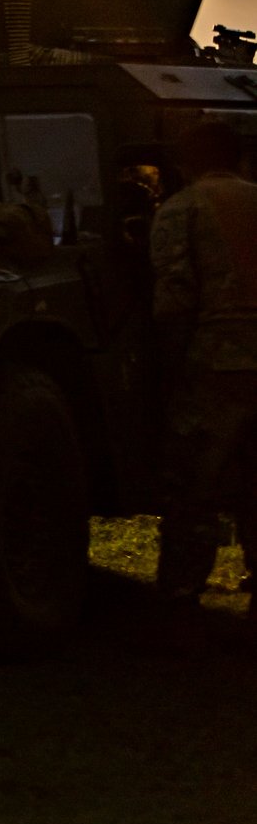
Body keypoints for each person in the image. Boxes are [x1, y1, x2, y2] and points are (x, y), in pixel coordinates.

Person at [153, 118, 257, 618]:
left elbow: (174, 302)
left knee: (196, 484)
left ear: (183, 164)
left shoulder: (182, 209)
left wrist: (168, 375)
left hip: (217, 364)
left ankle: (181, 597)